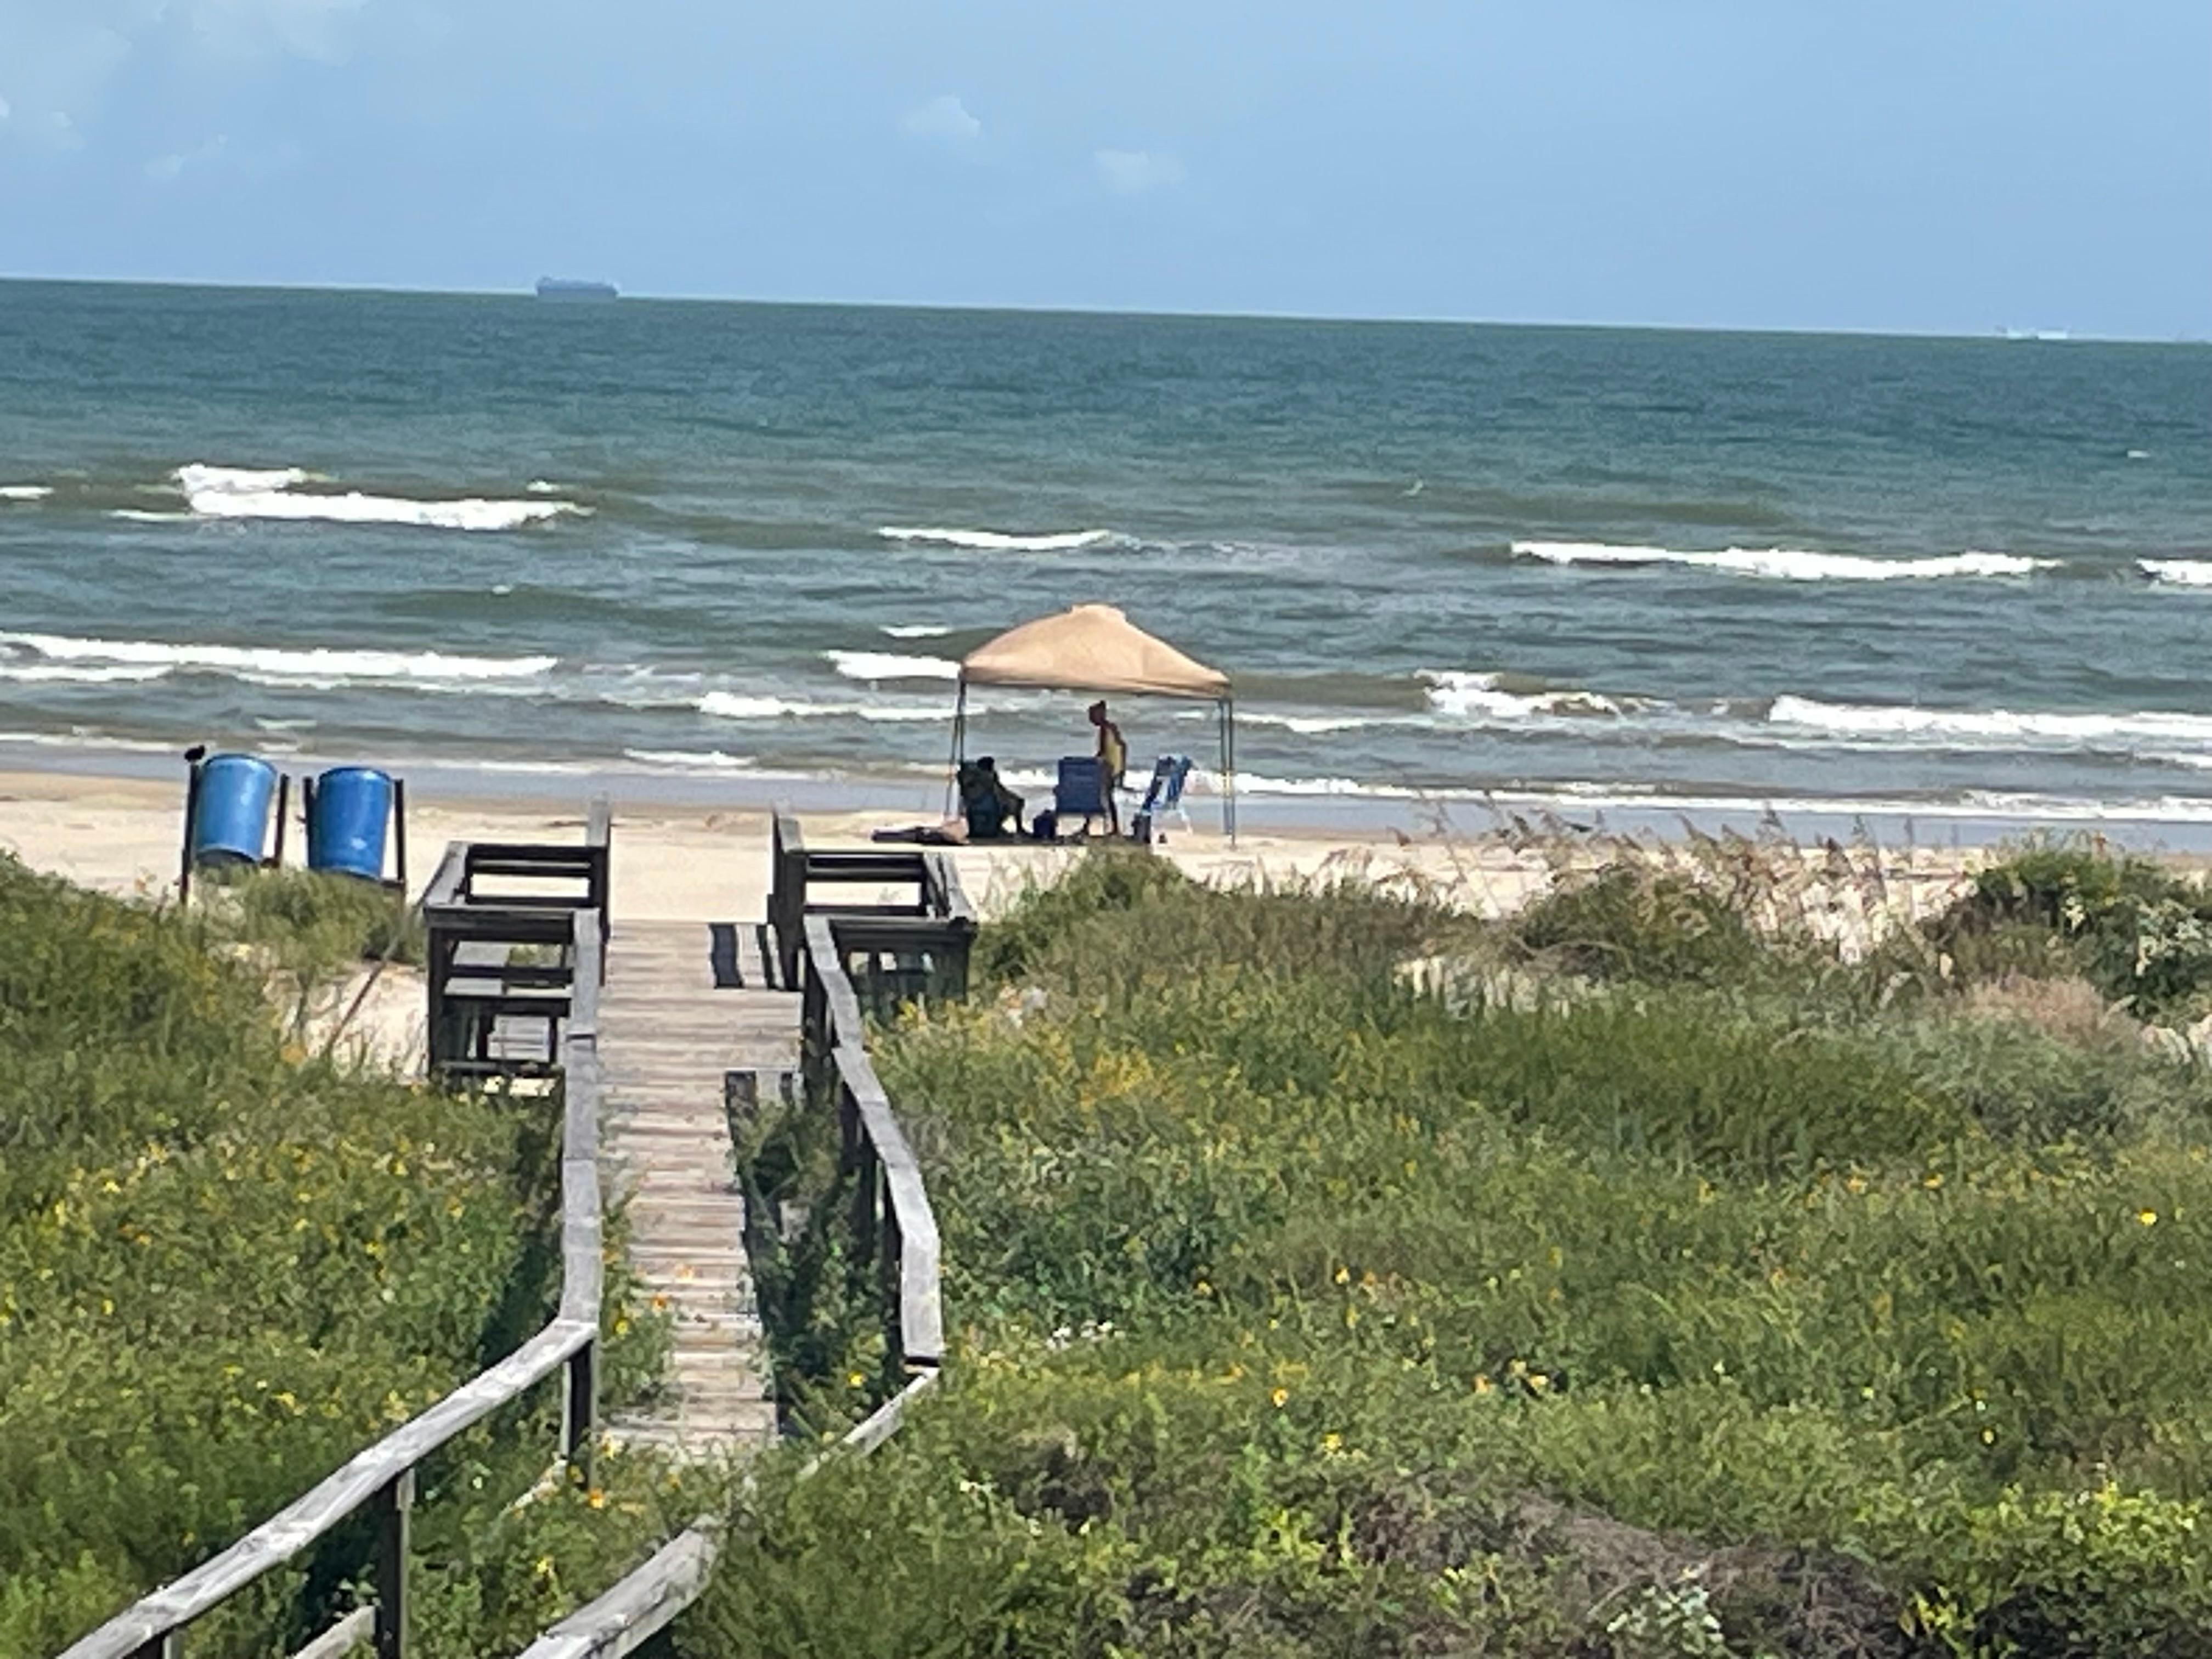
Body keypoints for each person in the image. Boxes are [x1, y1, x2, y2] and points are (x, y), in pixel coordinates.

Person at [956, 755, 1024, 840]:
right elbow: (998, 791)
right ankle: (1017, 828)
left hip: (981, 802)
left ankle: (1002, 827)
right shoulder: (986, 777)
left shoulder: (975, 777)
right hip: (992, 802)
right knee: (1015, 804)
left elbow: (999, 789)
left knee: (1014, 803)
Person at [1087, 700, 1127, 836]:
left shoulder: (1105, 729)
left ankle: (1113, 828)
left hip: (1109, 767)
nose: (1091, 719)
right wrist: (1122, 767)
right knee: (1107, 797)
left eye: (1092, 716)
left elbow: (1103, 751)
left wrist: (1095, 761)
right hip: (1115, 766)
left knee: (1101, 796)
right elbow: (1122, 746)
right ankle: (1114, 827)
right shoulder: (1112, 727)